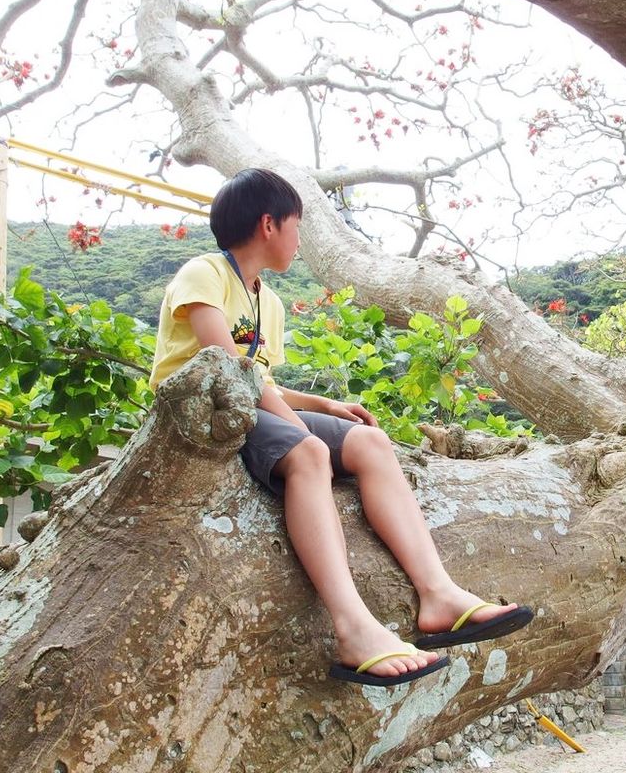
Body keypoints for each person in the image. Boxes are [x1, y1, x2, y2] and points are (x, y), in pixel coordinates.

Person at [149, 168, 532, 687]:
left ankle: (439, 594)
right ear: (269, 224)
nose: (299, 239)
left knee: (370, 442)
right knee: (309, 454)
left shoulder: (269, 301)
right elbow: (227, 369)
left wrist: (324, 404)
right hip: (202, 414)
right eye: (296, 225)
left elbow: (263, 382)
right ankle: (353, 628)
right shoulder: (206, 273)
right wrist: (301, 429)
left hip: (251, 405)